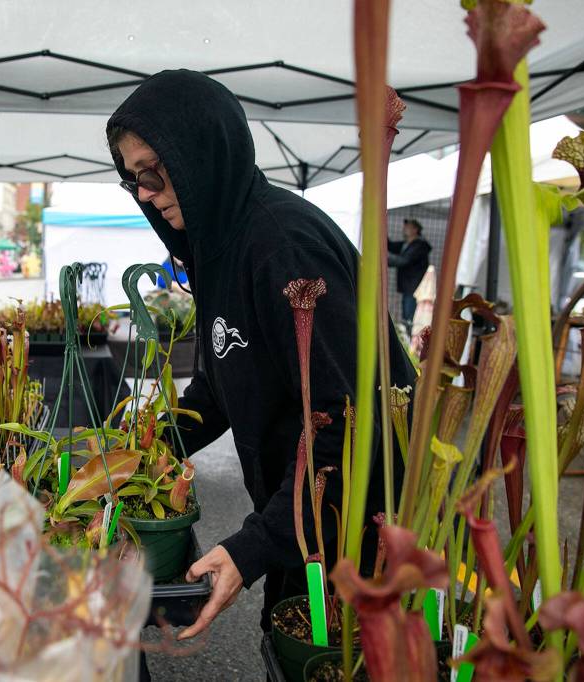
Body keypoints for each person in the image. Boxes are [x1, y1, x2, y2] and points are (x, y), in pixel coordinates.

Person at [106, 70, 415, 643]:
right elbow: (223, 383)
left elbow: (352, 423)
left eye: (153, 170)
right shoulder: (218, 250)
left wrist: (250, 548)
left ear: (202, 152)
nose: (146, 192)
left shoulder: (282, 245)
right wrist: (146, 447)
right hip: (302, 520)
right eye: (133, 181)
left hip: (363, 534)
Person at [387, 218, 432, 335]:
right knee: (406, 315)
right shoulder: (407, 244)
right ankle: (408, 338)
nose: (404, 228)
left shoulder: (419, 246)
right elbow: (390, 245)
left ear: (415, 230)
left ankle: (411, 340)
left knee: (409, 317)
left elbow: (404, 261)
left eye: (408, 226)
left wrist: (382, 259)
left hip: (414, 287)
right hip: (408, 287)